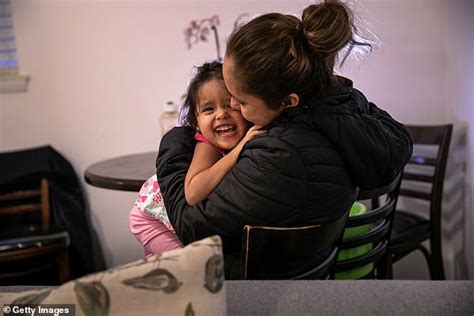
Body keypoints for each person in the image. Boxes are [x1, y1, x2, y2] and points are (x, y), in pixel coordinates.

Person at [156, 0, 413, 278]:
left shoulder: (280, 154)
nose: (232, 105)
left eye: (241, 100)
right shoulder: (337, 117)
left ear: (288, 101)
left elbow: (190, 226)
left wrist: (178, 137)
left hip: (257, 296)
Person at [129, 61, 263, 256]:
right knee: (194, 268)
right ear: (196, 121)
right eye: (209, 109)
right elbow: (193, 192)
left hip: (170, 221)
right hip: (151, 219)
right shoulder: (207, 145)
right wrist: (238, 151)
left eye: (230, 105)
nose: (221, 114)